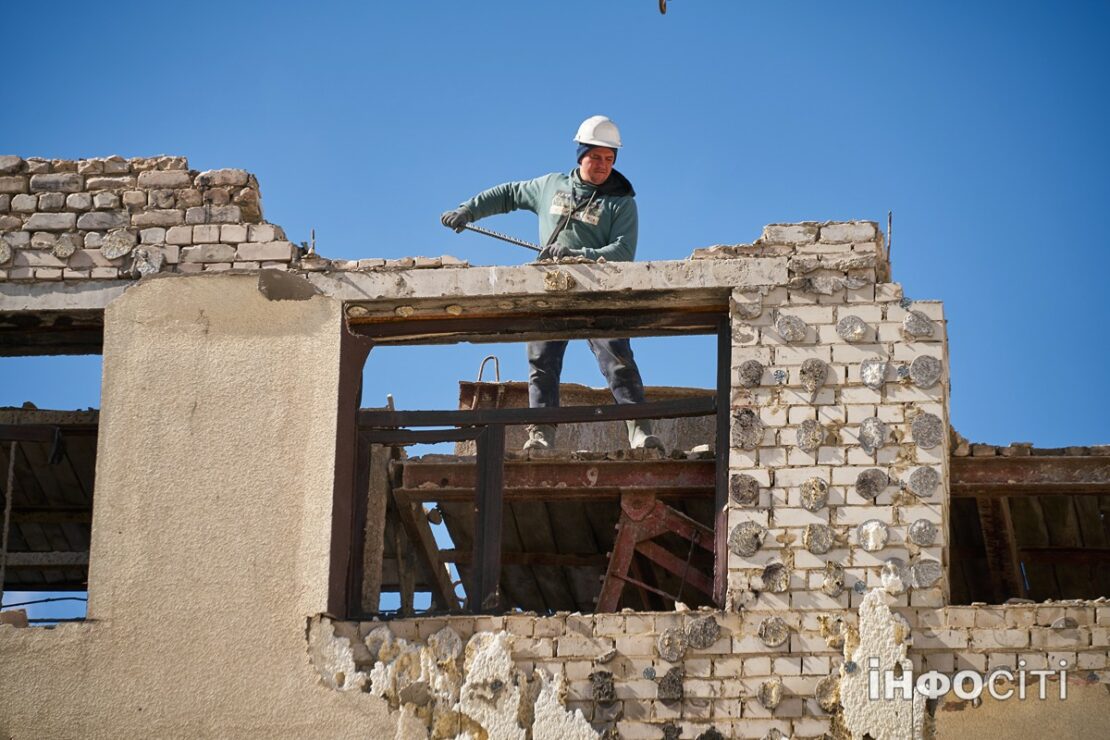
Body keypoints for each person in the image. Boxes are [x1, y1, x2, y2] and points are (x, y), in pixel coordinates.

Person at [440, 115, 664, 453]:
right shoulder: (551, 186)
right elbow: (508, 194)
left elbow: (622, 251)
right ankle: (541, 434)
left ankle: (639, 432)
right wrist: (468, 210)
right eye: (595, 157)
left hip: (598, 290)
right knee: (542, 363)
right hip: (552, 286)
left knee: (618, 360)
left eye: (609, 158)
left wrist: (578, 252)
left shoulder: (621, 202)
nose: (603, 165)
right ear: (580, 155)